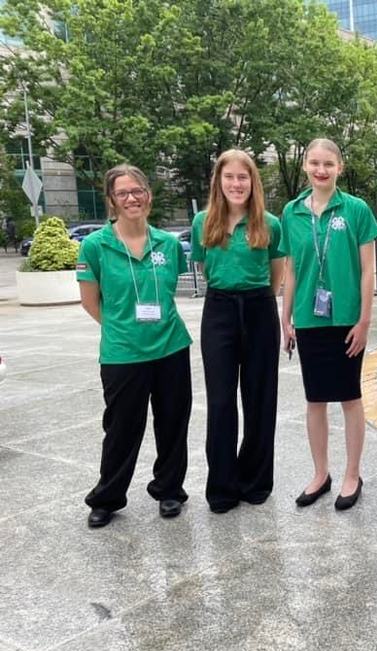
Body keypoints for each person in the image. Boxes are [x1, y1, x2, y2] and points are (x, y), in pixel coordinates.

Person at [76, 164, 193, 528]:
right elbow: (90, 301)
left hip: (171, 346)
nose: (132, 198)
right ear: (111, 201)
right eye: (123, 193)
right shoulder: (96, 246)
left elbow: (170, 290)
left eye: (137, 191)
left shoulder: (169, 244)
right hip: (123, 353)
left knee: (173, 422)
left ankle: (170, 489)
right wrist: (121, 328)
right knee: (122, 428)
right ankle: (108, 497)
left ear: (149, 195)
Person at [280, 138, 377, 511]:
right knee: (315, 398)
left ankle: (352, 473)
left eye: (329, 164)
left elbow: (369, 269)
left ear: (340, 167)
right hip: (308, 318)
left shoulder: (355, 210)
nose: (321, 170)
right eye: (314, 163)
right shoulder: (292, 212)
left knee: (350, 397)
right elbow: (290, 269)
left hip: (347, 319)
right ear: (305, 165)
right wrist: (285, 318)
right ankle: (320, 473)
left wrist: (365, 320)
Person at [191, 149, 285, 513]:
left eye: (242, 177)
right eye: (229, 177)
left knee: (260, 398)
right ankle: (222, 486)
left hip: (259, 308)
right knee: (220, 401)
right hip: (219, 311)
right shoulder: (203, 222)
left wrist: (259, 297)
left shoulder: (270, 224)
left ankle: (256, 480)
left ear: (252, 182)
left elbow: (277, 273)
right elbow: (204, 269)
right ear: (219, 182)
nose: (236, 184)